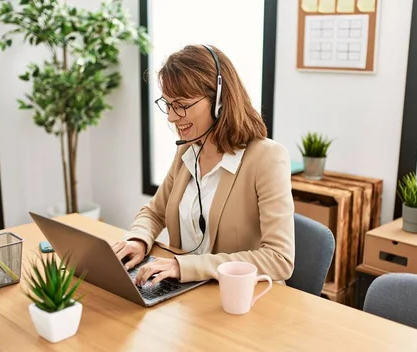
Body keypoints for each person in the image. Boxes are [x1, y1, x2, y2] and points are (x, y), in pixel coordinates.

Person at [111, 44, 295, 286]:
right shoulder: (188, 150)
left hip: (242, 299)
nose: (171, 117)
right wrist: (138, 240)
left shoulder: (267, 158)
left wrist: (184, 267)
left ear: (219, 100)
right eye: (167, 104)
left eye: (181, 105)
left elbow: (279, 258)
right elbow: (155, 212)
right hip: (187, 295)